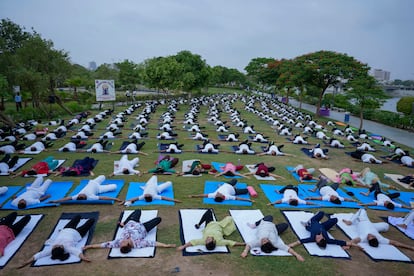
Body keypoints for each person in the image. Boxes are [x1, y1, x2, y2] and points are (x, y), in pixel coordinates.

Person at [83, 209, 175, 253]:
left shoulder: (118, 243)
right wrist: (166, 245)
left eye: (121, 243)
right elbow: (153, 243)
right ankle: (125, 223)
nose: (121, 241)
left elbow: (103, 245)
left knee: (138, 211)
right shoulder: (138, 244)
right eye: (123, 242)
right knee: (158, 219)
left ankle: (123, 223)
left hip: (131, 223)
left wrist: (89, 246)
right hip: (144, 228)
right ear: (129, 244)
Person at [18, 215, 95, 267]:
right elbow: (78, 253)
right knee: (91, 220)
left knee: (78, 217)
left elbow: (39, 255)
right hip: (78, 233)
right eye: (59, 246)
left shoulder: (51, 249)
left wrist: (26, 262)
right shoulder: (68, 248)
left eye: (55, 246)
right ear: (62, 249)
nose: (57, 245)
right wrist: (84, 258)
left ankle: (78, 218)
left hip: (66, 229)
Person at [342, 208, 414, 250]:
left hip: (362, 221)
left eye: (369, 237)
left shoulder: (363, 238)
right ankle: (352, 221)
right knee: (386, 226)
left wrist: (348, 245)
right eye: (372, 236)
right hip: (371, 225)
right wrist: (410, 247)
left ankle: (350, 222)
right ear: (376, 238)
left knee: (362, 210)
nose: (370, 235)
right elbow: (395, 243)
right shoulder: (380, 239)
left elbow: (354, 240)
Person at [177, 209, 245, 251]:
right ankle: (199, 224)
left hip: (209, 224)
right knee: (230, 218)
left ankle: (199, 224)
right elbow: (230, 242)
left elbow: (193, 242)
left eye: (206, 241)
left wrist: (183, 247)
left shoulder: (203, 241)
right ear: (214, 241)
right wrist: (243, 244)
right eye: (208, 240)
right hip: (220, 225)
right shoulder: (219, 241)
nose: (207, 239)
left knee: (209, 211)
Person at [289, 211, 359, 250]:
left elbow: (301, 241)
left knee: (333, 219)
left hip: (310, 224)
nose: (317, 237)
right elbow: (340, 242)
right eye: (319, 238)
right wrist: (356, 245)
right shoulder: (328, 240)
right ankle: (320, 224)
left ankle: (306, 223)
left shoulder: (312, 238)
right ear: (324, 238)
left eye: (317, 239)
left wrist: (291, 245)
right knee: (323, 214)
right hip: (322, 227)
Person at [49, 175, 121, 203]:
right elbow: (104, 197)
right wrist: (115, 199)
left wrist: (56, 200)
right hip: (99, 189)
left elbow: (67, 198)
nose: (80, 194)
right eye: (82, 195)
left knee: (103, 176)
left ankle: (105, 184)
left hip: (93, 182)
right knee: (114, 187)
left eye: (80, 194)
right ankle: (106, 186)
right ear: (84, 197)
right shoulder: (91, 197)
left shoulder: (77, 196)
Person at [189, 179, 253, 203]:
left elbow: (203, 195)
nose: (217, 193)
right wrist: (248, 200)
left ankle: (220, 186)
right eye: (218, 194)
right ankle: (234, 187)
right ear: (222, 197)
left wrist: (193, 196)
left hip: (227, 184)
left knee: (235, 180)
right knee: (246, 190)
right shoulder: (227, 197)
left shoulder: (214, 195)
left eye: (217, 194)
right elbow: (238, 198)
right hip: (234, 191)